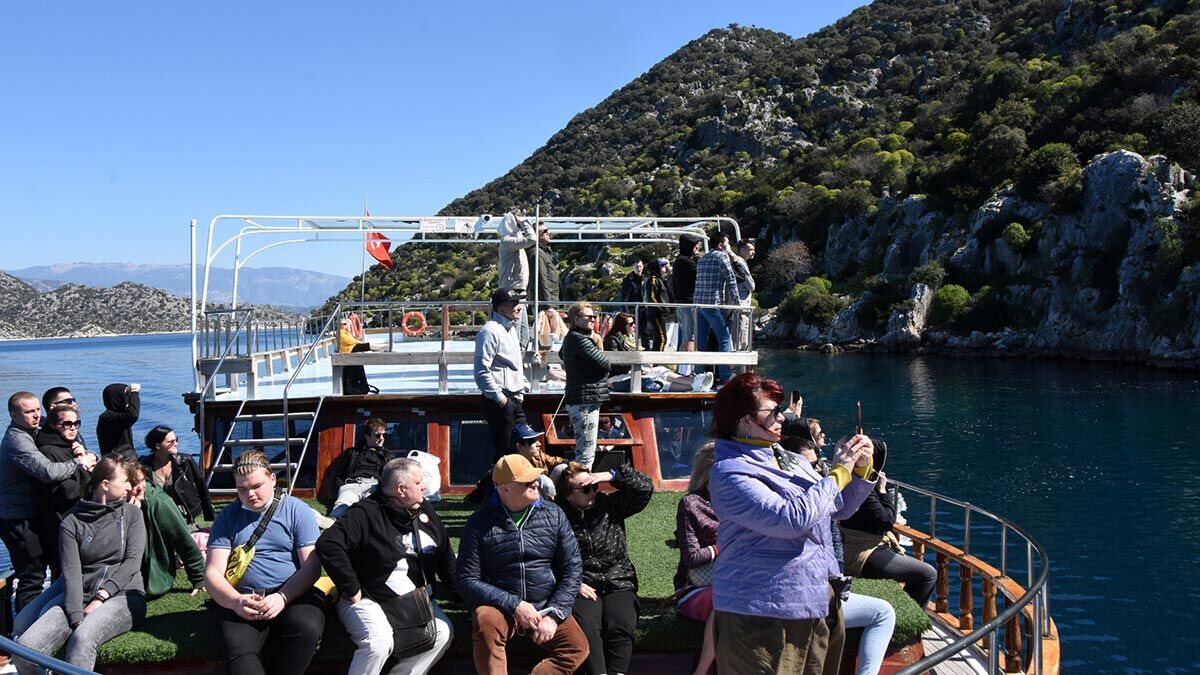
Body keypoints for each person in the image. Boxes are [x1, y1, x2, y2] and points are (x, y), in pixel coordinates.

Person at [708, 373, 877, 675]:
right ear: (744, 420)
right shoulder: (729, 473)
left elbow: (837, 509)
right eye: (772, 412)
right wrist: (838, 473)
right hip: (761, 613)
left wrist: (861, 469)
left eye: (781, 410)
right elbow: (791, 519)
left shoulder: (788, 458)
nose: (782, 418)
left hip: (815, 601)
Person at [317, 458, 457, 675]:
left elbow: (445, 554)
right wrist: (351, 587)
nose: (425, 487)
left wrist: (461, 594)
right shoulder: (365, 513)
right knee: (378, 643)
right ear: (401, 489)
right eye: (419, 483)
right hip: (368, 597)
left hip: (412, 599)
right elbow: (329, 544)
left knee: (441, 633)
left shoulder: (423, 509)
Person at [777, 417, 895, 675]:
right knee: (884, 613)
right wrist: (841, 471)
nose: (818, 471)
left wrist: (862, 468)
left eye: (819, 464)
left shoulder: (818, 490)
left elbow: (843, 507)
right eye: (811, 465)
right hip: (800, 598)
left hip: (823, 592)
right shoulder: (797, 497)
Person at [456, 454, 588, 675]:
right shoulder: (478, 523)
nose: (535, 483)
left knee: (577, 649)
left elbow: (572, 568)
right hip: (500, 604)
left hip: (546, 602)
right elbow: (467, 580)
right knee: (485, 623)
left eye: (534, 478)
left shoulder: (554, 514)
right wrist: (514, 604)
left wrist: (554, 614)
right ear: (504, 488)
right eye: (527, 481)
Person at [13, 456, 147, 674]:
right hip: (80, 595)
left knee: (83, 638)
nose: (130, 487)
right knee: (25, 648)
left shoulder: (131, 514)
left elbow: (132, 562)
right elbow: (72, 573)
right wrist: (75, 616)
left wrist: (101, 597)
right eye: (124, 481)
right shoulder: (71, 524)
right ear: (105, 484)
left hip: (124, 595)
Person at [204, 451, 326, 675]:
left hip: (293, 595)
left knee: (306, 628)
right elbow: (212, 573)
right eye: (242, 489)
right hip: (244, 597)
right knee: (238, 646)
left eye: (257, 486)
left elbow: (311, 567)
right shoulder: (227, 517)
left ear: (272, 479)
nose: (250, 494)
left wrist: (282, 597)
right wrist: (235, 602)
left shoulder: (297, 510)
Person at [1, 392, 97, 612]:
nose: (36, 416)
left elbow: (69, 433)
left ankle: (50, 614)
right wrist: (80, 462)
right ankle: (24, 631)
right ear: (13, 415)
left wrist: (88, 454)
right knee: (31, 574)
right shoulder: (17, 440)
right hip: (16, 516)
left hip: (34, 512)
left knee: (47, 564)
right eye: (28, 412)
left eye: (37, 410)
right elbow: (48, 472)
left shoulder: (34, 429)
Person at [555, 462, 653, 675]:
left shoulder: (609, 505)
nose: (593, 491)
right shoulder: (557, 516)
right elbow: (548, 557)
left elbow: (644, 488)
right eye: (586, 488)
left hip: (618, 581)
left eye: (595, 486)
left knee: (620, 623)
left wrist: (610, 475)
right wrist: (573, 583)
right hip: (582, 583)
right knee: (588, 627)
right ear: (568, 494)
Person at [840, 456, 937, 609]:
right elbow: (886, 521)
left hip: (851, 546)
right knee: (927, 574)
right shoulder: (861, 489)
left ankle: (900, 615)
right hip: (861, 552)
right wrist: (883, 490)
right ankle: (904, 625)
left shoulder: (847, 481)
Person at [126, 463, 206, 600]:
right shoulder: (112, 502)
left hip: (150, 577)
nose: (140, 488)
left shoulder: (159, 503)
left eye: (142, 480)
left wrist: (199, 578)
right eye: (134, 484)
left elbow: (183, 540)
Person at [674, 442, 718, 675]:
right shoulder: (691, 504)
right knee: (724, 599)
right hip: (696, 587)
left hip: (738, 579)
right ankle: (701, 672)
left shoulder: (741, 500)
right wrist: (721, 547)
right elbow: (691, 557)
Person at [475, 288, 529, 462]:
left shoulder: (510, 329)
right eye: (513, 303)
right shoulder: (489, 331)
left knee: (521, 447)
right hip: (501, 401)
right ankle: (496, 488)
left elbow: (514, 365)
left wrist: (520, 393)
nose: (519, 307)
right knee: (505, 453)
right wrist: (500, 399)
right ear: (500, 308)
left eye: (518, 303)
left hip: (515, 398)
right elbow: (482, 371)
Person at [603, 313, 712, 393]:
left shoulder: (629, 339)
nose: (634, 326)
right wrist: (636, 368)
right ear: (622, 325)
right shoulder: (612, 339)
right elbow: (615, 364)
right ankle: (694, 381)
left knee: (660, 376)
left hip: (631, 372)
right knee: (659, 373)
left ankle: (695, 386)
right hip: (617, 377)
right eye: (631, 324)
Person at [561, 302, 610, 469]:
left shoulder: (572, 337)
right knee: (586, 452)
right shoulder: (580, 339)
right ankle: (580, 489)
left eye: (594, 316)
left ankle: (579, 489)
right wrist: (597, 341)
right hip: (584, 400)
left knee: (585, 448)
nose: (593, 319)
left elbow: (561, 354)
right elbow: (605, 364)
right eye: (588, 317)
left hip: (581, 398)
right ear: (576, 319)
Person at [140, 425, 214, 530]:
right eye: (171, 442)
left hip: (183, 516)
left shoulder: (185, 461)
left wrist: (209, 515)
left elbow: (201, 486)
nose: (176, 444)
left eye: (176, 440)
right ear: (158, 446)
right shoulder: (144, 466)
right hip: (157, 517)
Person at [693, 231, 739, 382]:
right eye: (727, 243)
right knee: (725, 338)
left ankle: (698, 372)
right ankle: (725, 374)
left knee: (700, 340)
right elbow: (731, 280)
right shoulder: (722, 256)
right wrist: (737, 304)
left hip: (699, 305)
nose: (729, 246)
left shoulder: (702, 258)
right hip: (713, 304)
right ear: (721, 245)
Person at [35, 405, 95, 518]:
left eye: (76, 423)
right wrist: (83, 466)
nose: (73, 428)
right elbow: (65, 492)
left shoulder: (71, 446)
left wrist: (83, 456)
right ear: (53, 425)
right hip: (64, 518)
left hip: (81, 511)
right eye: (67, 424)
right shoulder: (48, 452)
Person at [329, 417, 391, 518]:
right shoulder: (352, 452)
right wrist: (342, 487)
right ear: (367, 436)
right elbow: (338, 475)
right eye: (377, 435)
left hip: (374, 486)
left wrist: (381, 451)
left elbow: (390, 475)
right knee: (343, 504)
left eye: (384, 434)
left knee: (375, 509)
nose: (382, 438)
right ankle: (332, 521)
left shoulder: (387, 456)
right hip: (352, 485)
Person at [672, 236, 701, 373]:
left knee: (685, 337)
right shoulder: (685, 262)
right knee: (691, 338)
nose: (697, 248)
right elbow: (700, 274)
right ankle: (689, 370)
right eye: (695, 245)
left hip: (681, 303)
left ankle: (682, 369)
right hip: (688, 303)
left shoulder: (678, 260)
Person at [513, 424, 565, 498]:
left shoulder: (537, 455)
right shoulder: (509, 464)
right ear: (519, 446)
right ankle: (550, 507)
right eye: (532, 441)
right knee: (542, 479)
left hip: (544, 493)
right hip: (525, 496)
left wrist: (573, 464)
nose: (539, 444)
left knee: (563, 467)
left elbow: (554, 460)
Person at [96, 382, 141, 461]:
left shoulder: (116, 416)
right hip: (117, 464)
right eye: (126, 395)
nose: (128, 398)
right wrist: (134, 392)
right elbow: (132, 415)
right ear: (117, 397)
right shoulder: (107, 417)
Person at [498, 213, 536, 293]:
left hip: (515, 286)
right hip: (511, 287)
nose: (520, 229)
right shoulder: (507, 241)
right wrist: (524, 222)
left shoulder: (512, 242)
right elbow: (532, 239)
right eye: (518, 225)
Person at [731, 239, 756, 351]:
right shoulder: (740, 263)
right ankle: (736, 365)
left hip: (739, 303)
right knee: (741, 336)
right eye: (750, 249)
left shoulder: (740, 262)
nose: (753, 252)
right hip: (741, 303)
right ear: (742, 250)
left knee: (740, 333)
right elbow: (750, 285)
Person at [643, 259, 672, 351]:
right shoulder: (653, 279)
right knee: (662, 338)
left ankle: (656, 362)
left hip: (658, 312)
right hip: (656, 313)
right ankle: (657, 361)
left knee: (659, 338)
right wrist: (661, 308)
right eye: (662, 266)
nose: (664, 268)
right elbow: (652, 296)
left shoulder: (659, 279)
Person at [531, 224, 560, 303]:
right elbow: (540, 279)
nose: (548, 233)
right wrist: (546, 305)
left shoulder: (544, 252)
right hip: (547, 302)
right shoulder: (538, 253)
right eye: (545, 231)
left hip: (551, 299)